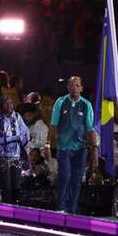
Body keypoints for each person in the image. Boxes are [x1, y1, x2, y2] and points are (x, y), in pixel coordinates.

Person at [50, 76, 98, 214]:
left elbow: (90, 129)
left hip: (80, 149)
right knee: (65, 176)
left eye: (77, 85)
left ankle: (72, 209)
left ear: (81, 88)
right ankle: (61, 207)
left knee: (76, 180)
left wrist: (94, 150)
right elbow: (53, 126)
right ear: (67, 87)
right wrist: (48, 145)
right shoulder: (60, 102)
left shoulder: (86, 105)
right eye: (71, 85)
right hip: (63, 148)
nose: (74, 88)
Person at [0, 97, 30, 204]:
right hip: (2, 157)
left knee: (16, 186)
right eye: (6, 104)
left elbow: (26, 133)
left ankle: (15, 211)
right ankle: (6, 211)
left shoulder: (17, 117)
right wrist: (9, 139)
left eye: (11, 103)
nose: (10, 106)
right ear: (2, 106)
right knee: (6, 187)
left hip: (16, 156)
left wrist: (22, 139)